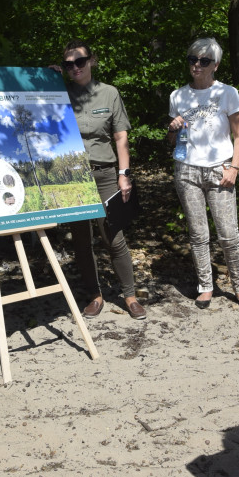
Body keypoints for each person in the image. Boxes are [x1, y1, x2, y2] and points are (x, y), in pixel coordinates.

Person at [167, 37, 239, 311]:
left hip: (220, 169)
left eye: (204, 61)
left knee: (228, 233)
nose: (197, 65)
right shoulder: (177, 96)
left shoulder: (228, 93)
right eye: (192, 59)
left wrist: (234, 168)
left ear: (215, 65)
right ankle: (205, 286)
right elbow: (172, 141)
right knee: (198, 233)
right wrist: (172, 129)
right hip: (186, 169)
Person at [60, 39, 145, 320]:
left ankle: (130, 296)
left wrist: (124, 175)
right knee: (82, 240)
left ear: (91, 61)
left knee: (114, 237)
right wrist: (45, 79)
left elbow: (121, 137)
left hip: (106, 174)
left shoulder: (109, 94)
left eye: (80, 62)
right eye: (68, 64)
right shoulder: (59, 93)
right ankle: (95, 296)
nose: (75, 68)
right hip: (73, 177)